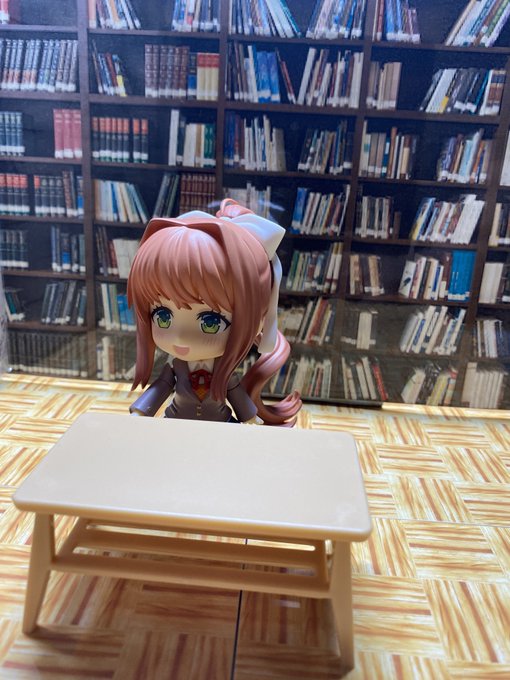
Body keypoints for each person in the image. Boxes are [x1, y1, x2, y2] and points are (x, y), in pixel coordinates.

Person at [127, 198, 301, 425]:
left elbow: (237, 396)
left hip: (220, 427)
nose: (180, 337)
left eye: (211, 322)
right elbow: (160, 388)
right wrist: (140, 412)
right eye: (163, 316)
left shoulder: (224, 372)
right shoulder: (176, 367)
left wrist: (251, 421)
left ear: (257, 319)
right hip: (177, 424)